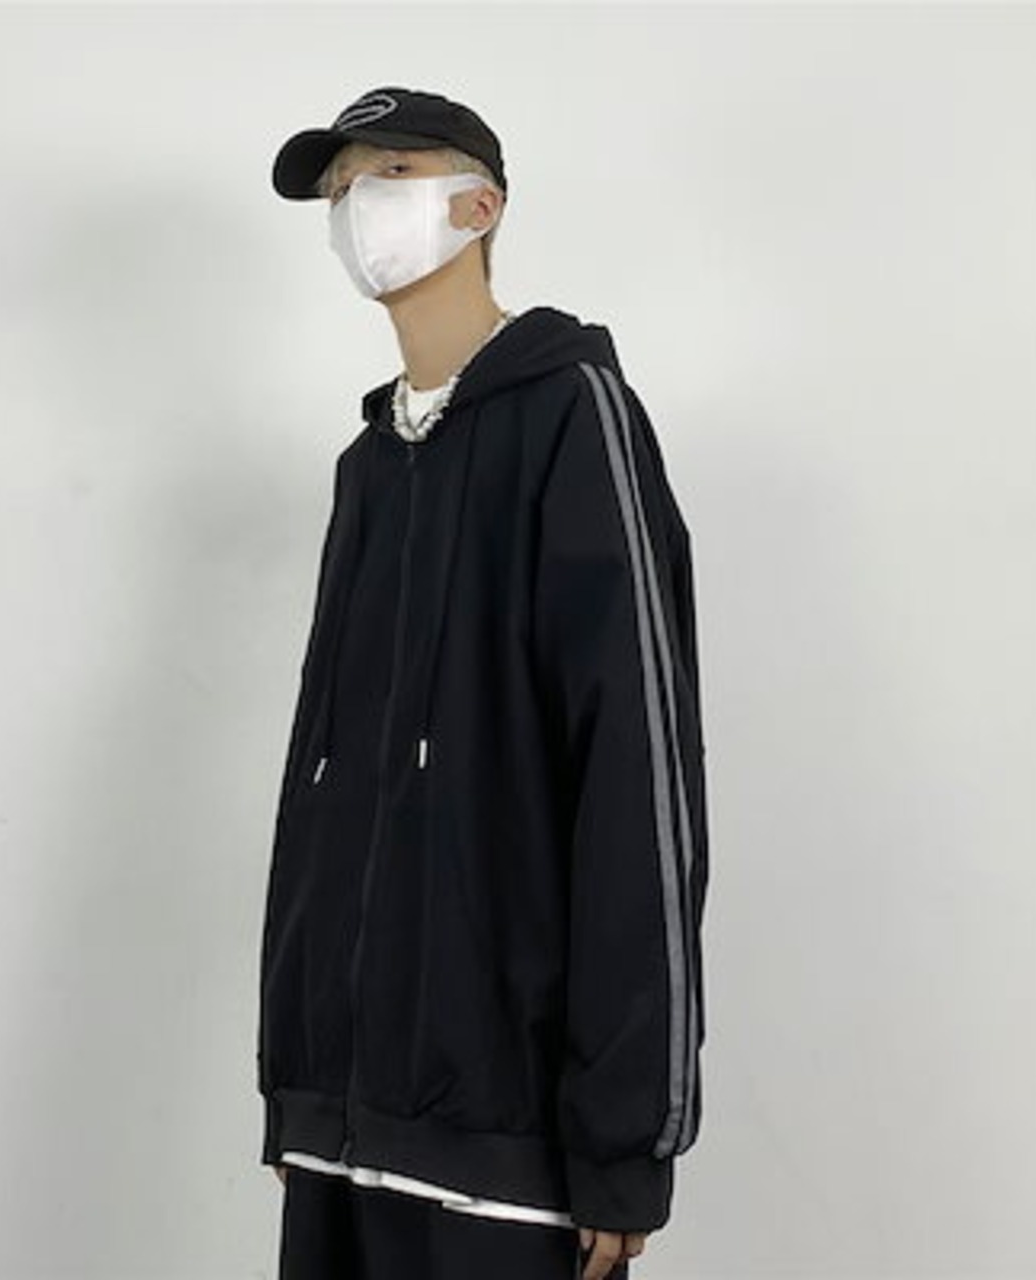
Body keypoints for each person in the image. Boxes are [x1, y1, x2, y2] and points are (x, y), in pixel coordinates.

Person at [258, 86, 710, 1280]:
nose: (358, 206)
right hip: (344, 1129)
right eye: (339, 188)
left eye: (390, 173)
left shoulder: (574, 417)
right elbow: (321, 782)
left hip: (506, 1151)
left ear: (478, 205)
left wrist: (623, 1137)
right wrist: (297, 1078)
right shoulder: (369, 467)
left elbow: (638, 775)